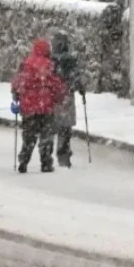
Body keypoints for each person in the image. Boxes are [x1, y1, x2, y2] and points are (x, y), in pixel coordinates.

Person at [11, 38, 66, 173]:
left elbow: (18, 82)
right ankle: (46, 162)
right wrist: (59, 98)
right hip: (46, 107)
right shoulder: (50, 65)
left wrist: (16, 95)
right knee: (46, 136)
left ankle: (24, 160)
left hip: (29, 107)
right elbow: (56, 85)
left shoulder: (26, 64)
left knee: (29, 136)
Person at [50, 30, 86, 167]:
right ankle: (63, 154)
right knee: (65, 128)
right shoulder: (70, 61)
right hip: (67, 97)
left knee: (53, 126)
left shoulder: (51, 60)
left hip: (53, 98)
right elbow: (76, 78)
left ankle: (47, 153)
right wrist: (80, 89)